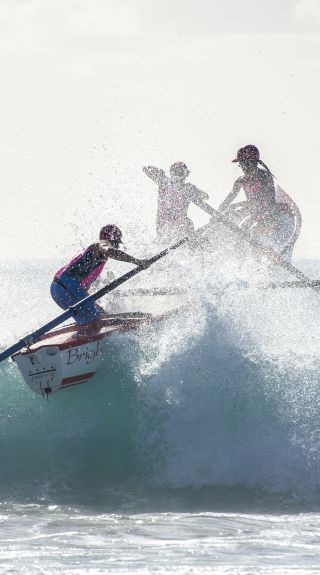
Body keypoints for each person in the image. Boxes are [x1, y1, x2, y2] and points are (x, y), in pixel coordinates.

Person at [50, 225, 150, 333]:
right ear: (112, 239)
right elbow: (109, 250)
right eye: (117, 242)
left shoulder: (94, 259)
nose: (117, 246)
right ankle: (84, 341)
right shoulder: (101, 245)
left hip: (61, 288)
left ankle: (84, 334)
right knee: (95, 323)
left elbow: (83, 289)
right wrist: (138, 262)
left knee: (102, 315)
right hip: (67, 286)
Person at [143, 161, 209, 242]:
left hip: (180, 226)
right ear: (171, 173)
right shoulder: (164, 183)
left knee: (188, 222)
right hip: (163, 224)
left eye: (180, 172)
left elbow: (205, 196)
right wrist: (157, 172)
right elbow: (145, 169)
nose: (177, 175)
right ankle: (166, 244)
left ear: (186, 174)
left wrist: (193, 192)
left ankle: (190, 243)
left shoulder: (188, 187)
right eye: (175, 172)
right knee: (186, 223)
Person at [219, 145, 278, 235]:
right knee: (238, 229)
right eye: (241, 164)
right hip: (255, 214)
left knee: (249, 231)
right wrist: (219, 211)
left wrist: (236, 205)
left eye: (242, 164)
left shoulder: (264, 177)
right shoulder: (241, 180)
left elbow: (259, 201)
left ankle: (262, 246)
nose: (241, 167)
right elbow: (229, 199)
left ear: (250, 163)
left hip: (269, 216)